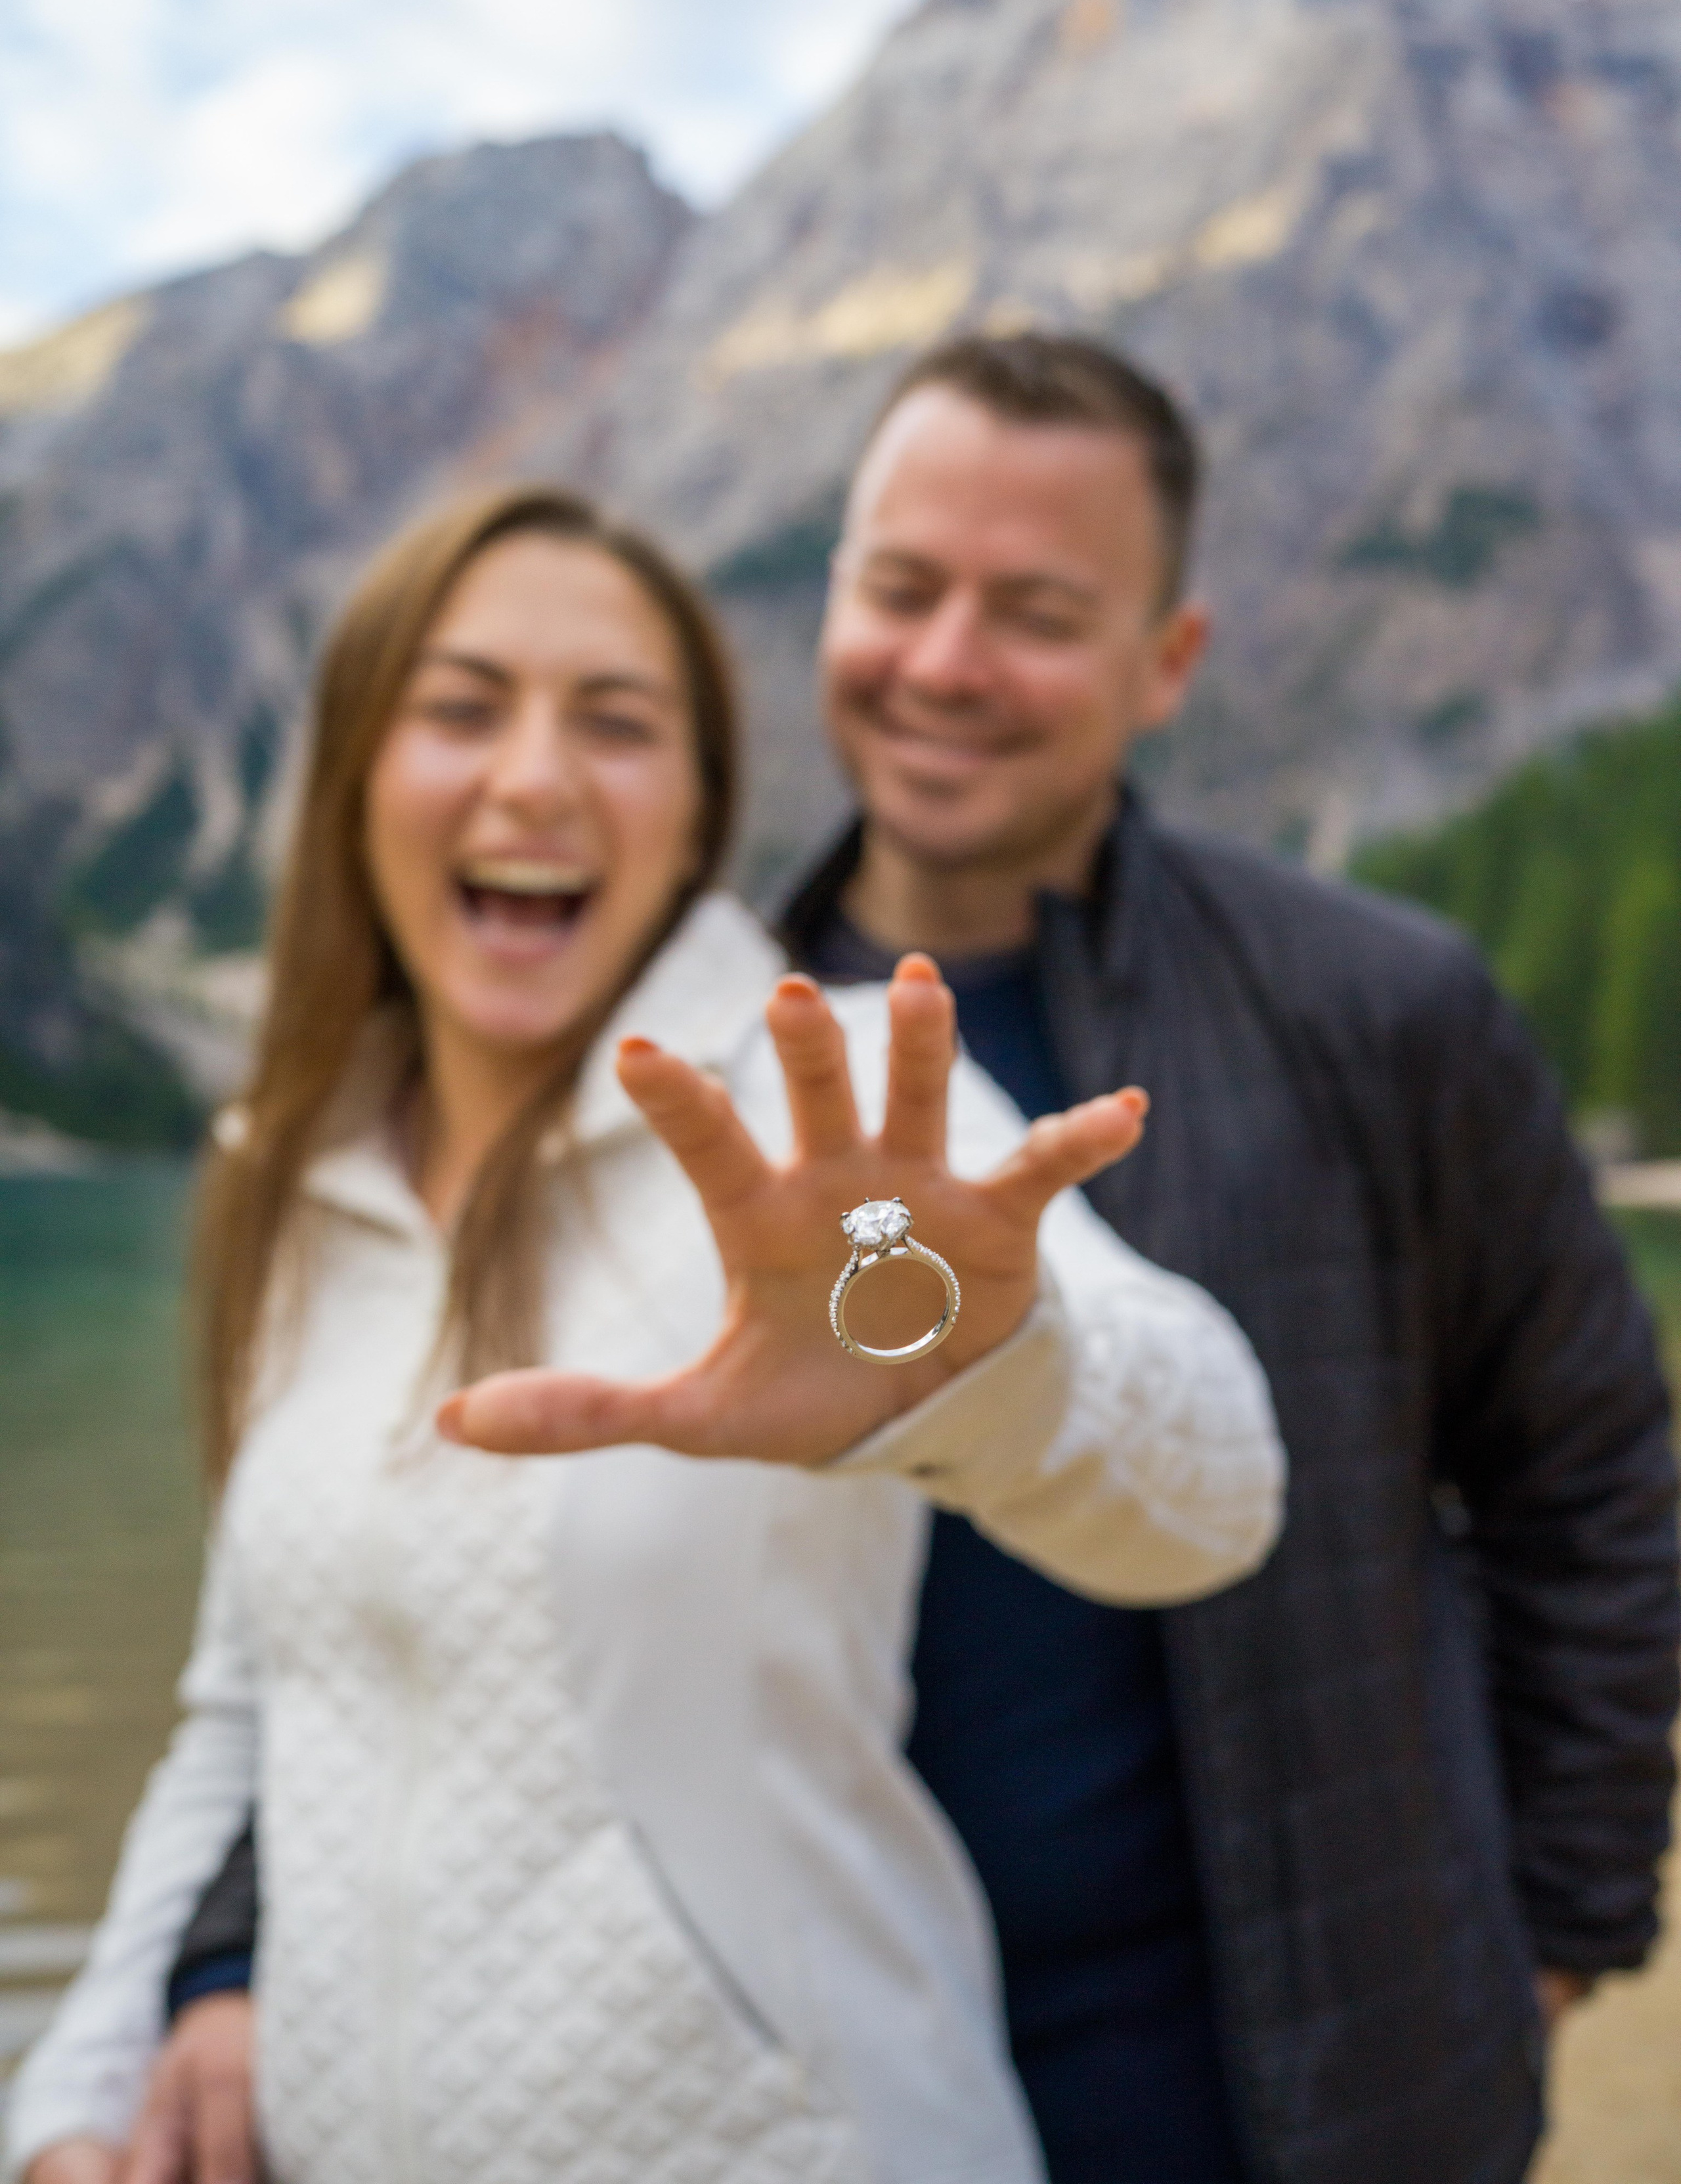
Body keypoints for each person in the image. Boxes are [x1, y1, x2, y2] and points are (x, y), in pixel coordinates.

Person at [116, 333, 1678, 2181]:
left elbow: (1586, 1481)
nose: (946, 662)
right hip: (840, 2037)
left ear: (1167, 660)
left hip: (1291, 2055)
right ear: (830, 602)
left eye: (1036, 612)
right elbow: (378, 1607)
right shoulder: (667, 1058)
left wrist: (1559, 1936)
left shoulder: (1371, 1007)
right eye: (902, 588)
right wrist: (226, 1958)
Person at [6, 483, 1284, 2184]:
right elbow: (249, 1709)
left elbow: (1221, 1492)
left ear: (694, 814)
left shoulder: (831, 1100)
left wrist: (981, 1373)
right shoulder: (289, 1179)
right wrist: (87, 2086)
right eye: (463, 708)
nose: (536, 778)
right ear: (357, 776)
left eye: (616, 723)